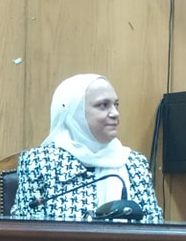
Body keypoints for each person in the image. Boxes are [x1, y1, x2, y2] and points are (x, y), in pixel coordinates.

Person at [11, 73, 162, 222]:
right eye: (103, 105)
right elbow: (28, 230)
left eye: (116, 105)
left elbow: (154, 224)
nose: (115, 113)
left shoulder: (134, 163)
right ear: (74, 112)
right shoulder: (40, 162)